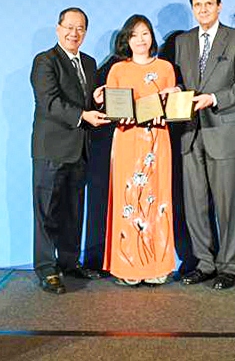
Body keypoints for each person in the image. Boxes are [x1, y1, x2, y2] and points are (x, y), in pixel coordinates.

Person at [174, 0, 235, 290]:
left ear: (219, 6)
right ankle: (204, 264)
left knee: (227, 205)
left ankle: (229, 267)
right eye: (198, 5)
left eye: (209, 4)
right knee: (195, 205)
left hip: (224, 131)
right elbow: (181, 83)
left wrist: (214, 98)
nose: (203, 9)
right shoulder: (182, 41)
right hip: (190, 133)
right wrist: (175, 91)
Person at [30, 7, 109, 294]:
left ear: (85, 32)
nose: (74, 33)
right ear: (58, 28)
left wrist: (96, 100)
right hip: (51, 149)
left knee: (73, 211)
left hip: (80, 149)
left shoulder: (88, 62)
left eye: (80, 29)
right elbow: (49, 102)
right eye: (69, 27)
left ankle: (69, 262)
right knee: (47, 212)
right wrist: (83, 115)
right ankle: (46, 268)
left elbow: (85, 102)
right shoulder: (45, 61)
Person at [100, 15, 177, 286]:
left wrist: (173, 97)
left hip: (157, 139)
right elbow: (112, 107)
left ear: (152, 37)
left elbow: (171, 108)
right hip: (127, 139)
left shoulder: (166, 67)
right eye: (134, 35)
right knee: (128, 199)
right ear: (127, 39)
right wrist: (106, 103)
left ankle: (158, 266)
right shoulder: (117, 70)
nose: (140, 39)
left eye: (145, 33)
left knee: (157, 198)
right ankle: (128, 267)